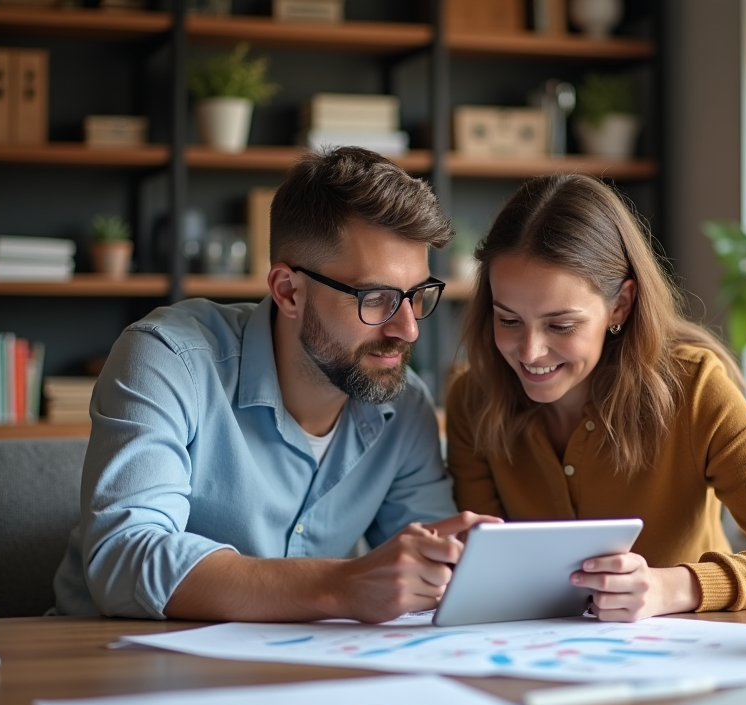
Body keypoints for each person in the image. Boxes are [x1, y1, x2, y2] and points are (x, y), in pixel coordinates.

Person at [54, 147, 497, 622]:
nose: (408, 329)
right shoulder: (168, 358)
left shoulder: (405, 405)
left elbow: (430, 568)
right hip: (117, 666)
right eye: (376, 299)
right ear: (288, 290)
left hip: (301, 671)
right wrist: (339, 585)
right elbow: (124, 559)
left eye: (415, 296)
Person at [446, 174, 746, 622]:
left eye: (560, 325)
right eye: (509, 320)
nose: (530, 352)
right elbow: (487, 565)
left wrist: (671, 587)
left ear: (621, 304)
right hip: (531, 659)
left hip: (688, 659)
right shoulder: (472, 400)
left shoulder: (694, 389)